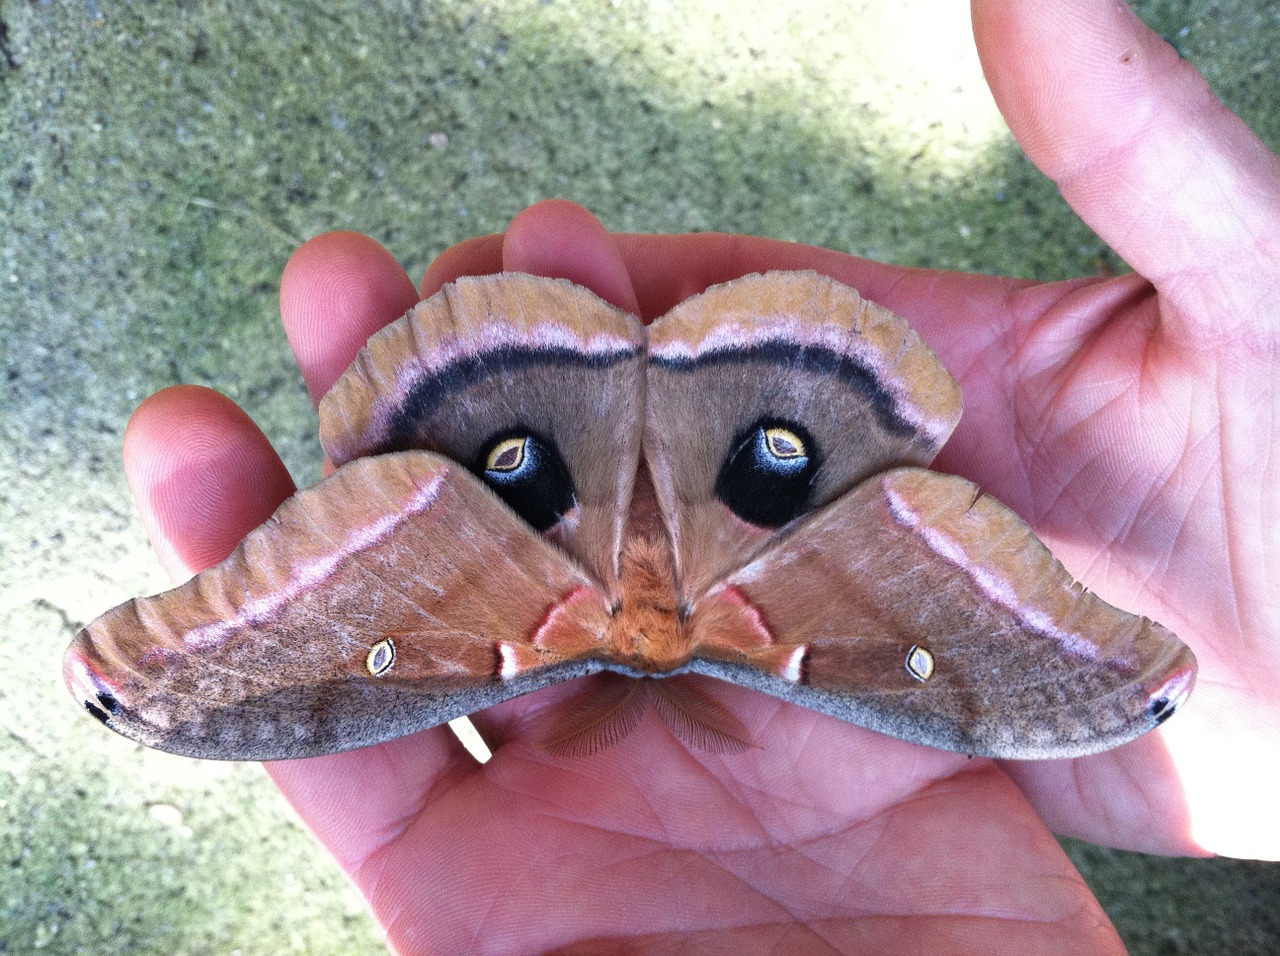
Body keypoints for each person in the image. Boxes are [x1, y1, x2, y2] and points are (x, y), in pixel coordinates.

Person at [117, 0, 1279, 951]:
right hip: (759, 443)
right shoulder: (777, 646)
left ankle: (529, 468)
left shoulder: (591, 647)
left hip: (518, 423)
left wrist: (227, 678)